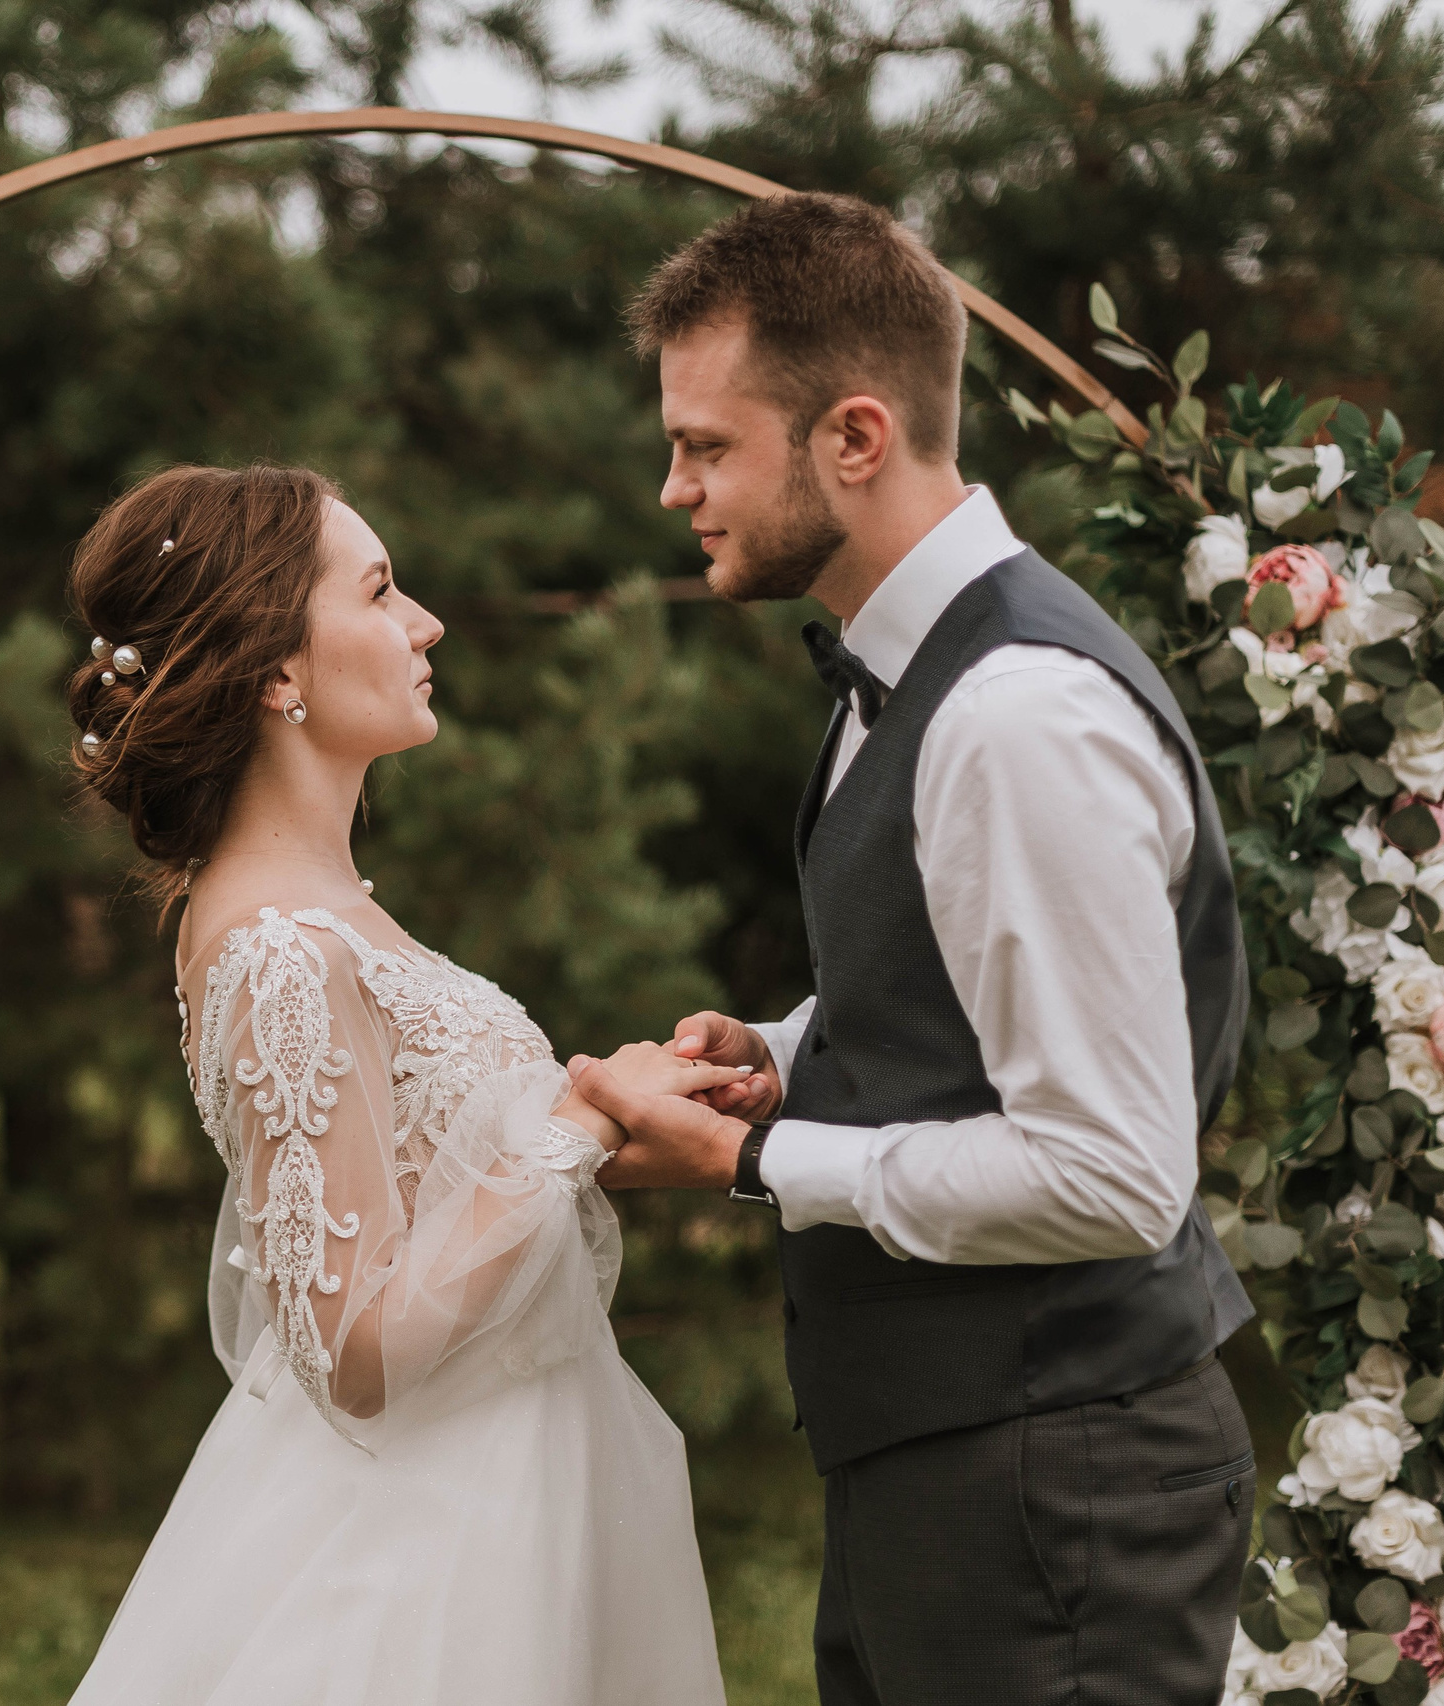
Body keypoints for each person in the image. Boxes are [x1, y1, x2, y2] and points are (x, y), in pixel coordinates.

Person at [567, 191, 1257, 1706]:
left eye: (705, 444)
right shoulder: (905, 675)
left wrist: (758, 1166)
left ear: (855, 438)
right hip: (948, 1465)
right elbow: (963, 982)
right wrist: (787, 1056)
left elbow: (1112, 1170)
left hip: (1054, 1478)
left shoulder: (1016, 715)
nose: (673, 485)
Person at [60, 462, 730, 1706]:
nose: (424, 622)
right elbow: (353, 1349)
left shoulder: (329, 915)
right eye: (379, 590)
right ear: (276, 672)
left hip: (523, 1483)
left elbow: (436, 1187)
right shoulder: (277, 950)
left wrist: (623, 1115)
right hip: (429, 1546)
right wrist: (576, 1120)